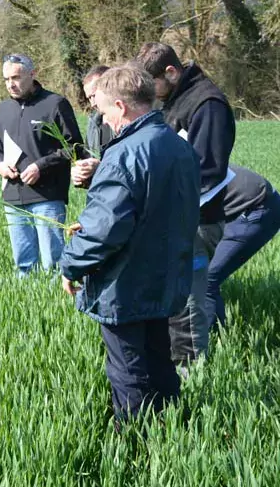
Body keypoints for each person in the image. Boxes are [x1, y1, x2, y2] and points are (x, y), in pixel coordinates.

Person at [60, 65, 200, 422]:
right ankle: (172, 432)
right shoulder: (179, 146)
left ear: (121, 106)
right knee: (160, 360)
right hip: (166, 276)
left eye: (104, 112)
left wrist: (70, 264)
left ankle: (135, 445)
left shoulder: (122, 154)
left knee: (128, 370)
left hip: (126, 283)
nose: (104, 121)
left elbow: (105, 233)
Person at [136, 42, 235, 365]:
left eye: (154, 85)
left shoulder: (208, 104)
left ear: (171, 72)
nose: (152, 93)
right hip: (173, 218)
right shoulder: (173, 98)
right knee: (176, 299)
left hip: (198, 220)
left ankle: (194, 372)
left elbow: (209, 171)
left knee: (188, 303)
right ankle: (179, 362)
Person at [0, 53, 84, 275]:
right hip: (12, 195)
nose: (10, 84)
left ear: (32, 74)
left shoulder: (55, 104)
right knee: (23, 264)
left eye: (16, 77)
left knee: (53, 263)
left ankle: (56, 303)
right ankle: (26, 301)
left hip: (47, 196)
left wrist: (41, 166)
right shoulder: (3, 109)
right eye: (6, 79)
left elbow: (76, 147)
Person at [206, 165, 280, 328]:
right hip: (238, 205)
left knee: (206, 279)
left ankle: (209, 342)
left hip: (258, 208)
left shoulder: (172, 178)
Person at [71, 65, 113, 189]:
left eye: (94, 95)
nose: (92, 103)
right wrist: (81, 174)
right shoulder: (93, 123)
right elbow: (88, 157)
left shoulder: (129, 120)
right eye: (89, 98)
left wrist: (100, 167)